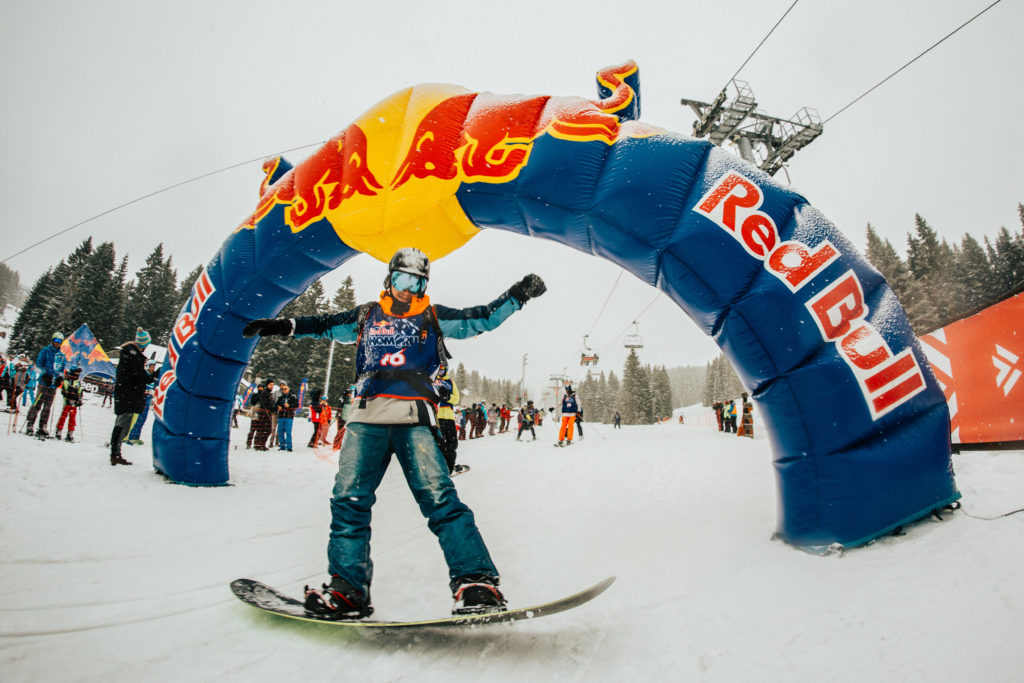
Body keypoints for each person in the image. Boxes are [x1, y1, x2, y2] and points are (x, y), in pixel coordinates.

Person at [242, 246, 546, 619]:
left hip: (413, 419)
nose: (408, 290)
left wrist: (517, 295)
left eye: (417, 284)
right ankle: (347, 590)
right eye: (402, 280)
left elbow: (480, 318)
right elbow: (322, 326)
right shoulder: (366, 316)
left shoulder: (433, 317)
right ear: (390, 279)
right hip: (366, 418)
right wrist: (282, 327)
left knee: (440, 501)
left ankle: (476, 583)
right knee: (349, 502)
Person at [109, 328, 158, 465]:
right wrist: (153, 376)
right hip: (128, 394)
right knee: (122, 424)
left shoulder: (129, 353)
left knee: (121, 423)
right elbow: (140, 376)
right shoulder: (133, 356)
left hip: (125, 393)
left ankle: (116, 452)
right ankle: (115, 453)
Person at [23, 332, 66, 437]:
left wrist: (60, 378)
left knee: (47, 407)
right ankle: (30, 423)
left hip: (52, 386)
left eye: (60, 341)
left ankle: (43, 426)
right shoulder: (45, 351)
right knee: (37, 404)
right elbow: (38, 366)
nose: (57, 343)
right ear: (52, 341)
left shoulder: (61, 355)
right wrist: (45, 374)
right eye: (56, 341)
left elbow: (61, 370)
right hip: (44, 383)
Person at [435, 369, 462, 474]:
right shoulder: (433, 379)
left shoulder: (451, 382)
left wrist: (448, 396)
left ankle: (449, 467)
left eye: (442, 369)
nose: (440, 371)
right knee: (440, 443)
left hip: (449, 416)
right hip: (437, 416)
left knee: (452, 444)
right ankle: (439, 468)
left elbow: (456, 399)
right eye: (439, 369)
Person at [125, 360, 158, 445]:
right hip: (142, 397)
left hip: (148, 397)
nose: (153, 368)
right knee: (138, 418)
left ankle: (136, 436)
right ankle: (131, 437)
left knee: (143, 418)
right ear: (147, 366)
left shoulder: (152, 376)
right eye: (151, 366)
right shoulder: (146, 375)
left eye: (154, 366)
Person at [54, 367, 83, 441]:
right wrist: (67, 394)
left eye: (77, 375)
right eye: (75, 375)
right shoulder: (66, 381)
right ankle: (58, 431)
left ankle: (70, 432)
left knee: (72, 418)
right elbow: (63, 390)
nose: (76, 377)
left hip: (74, 403)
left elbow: (80, 392)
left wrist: (79, 399)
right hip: (67, 402)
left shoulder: (78, 383)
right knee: (63, 417)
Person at [252, 380, 276, 451]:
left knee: (265, 429)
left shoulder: (269, 393)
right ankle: (259, 444)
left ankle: (261, 444)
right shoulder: (265, 393)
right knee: (264, 429)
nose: (272, 386)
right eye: (271, 384)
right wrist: (272, 408)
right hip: (264, 412)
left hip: (267, 412)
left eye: (273, 385)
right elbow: (265, 403)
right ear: (267, 385)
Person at [275, 382, 299, 451]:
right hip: (281, 416)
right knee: (280, 431)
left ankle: (289, 446)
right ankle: (282, 445)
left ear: (288, 390)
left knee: (288, 432)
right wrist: (278, 407)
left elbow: (297, 405)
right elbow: (276, 405)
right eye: (283, 389)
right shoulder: (280, 398)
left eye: (285, 389)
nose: (284, 390)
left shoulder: (292, 397)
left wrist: (289, 406)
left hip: (289, 416)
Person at [332, 386, 355, 451]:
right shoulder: (343, 400)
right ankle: (336, 444)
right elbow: (340, 409)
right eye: (349, 393)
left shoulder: (349, 400)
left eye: (350, 393)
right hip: (342, 417)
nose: (350, 395)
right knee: (340, 431)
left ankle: (340, 443)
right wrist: (339, 415)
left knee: (343, 431)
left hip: (346, 417)